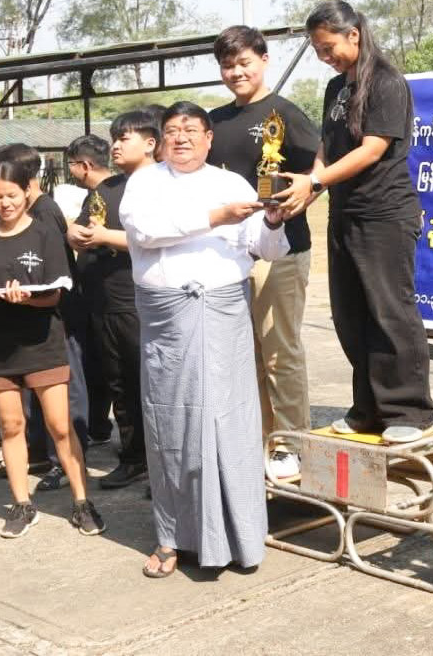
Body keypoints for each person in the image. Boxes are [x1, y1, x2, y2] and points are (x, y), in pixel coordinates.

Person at [120, 101, 289, 578]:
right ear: (160, 140)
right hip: (169, 320)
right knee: (173, 425)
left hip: (224, 312)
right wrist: (216, 217)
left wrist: (274, 220)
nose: (182, 138)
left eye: (191, 129)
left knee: (229, 421)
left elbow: (266, 248)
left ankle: (241, 536)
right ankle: (173, 537)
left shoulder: (232, 184)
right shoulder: (145, 183)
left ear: (209, 138)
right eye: (172, 130)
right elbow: (146, 231)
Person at [276, 0, 433, 443]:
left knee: (389, 310)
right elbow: (327, 148)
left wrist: (316, 181)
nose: (325, 57)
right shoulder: (336, 88)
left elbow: (372, 149)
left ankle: (409, 410)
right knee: (350, 313)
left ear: (354, 34)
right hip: (345, 212)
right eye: (317, 50)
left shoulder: (386, 81)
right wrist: (310, 187)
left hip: (384, 213)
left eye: (329, 47)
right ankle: (368, 408)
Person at [0, 156, 104, 540]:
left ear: (27, 191)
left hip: (42, 342)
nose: (4, 203)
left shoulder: (45, 234)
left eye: (11, 195)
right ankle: (22, 504)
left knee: (59, 425)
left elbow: (56, 294)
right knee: (11, 426)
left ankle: (82, 502)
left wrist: (26, 299)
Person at [208, 25, 320, 480]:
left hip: (281, 251)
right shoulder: (213, 122)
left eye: (244, 63)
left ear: (264, 60)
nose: (236, 72)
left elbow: (318, 174)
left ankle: (293, 444)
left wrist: (300, 201)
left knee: (279, 352)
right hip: (228, 254)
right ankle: (260, 442)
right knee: (247, 356)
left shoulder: (286, 114)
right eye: (227, 66)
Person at [0, 143, 91, 489]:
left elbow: (54, 274)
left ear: (26, 181)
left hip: (56, 314)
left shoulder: (43, 213)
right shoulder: (17, 217)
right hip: (30, 318)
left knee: (65, 395)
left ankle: (67, 462)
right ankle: (39, 454)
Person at [68, 112, 158, 490]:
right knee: (119, 384)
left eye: (124, 138)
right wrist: (75, 234)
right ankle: (134, 457)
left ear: (151, 143)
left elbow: (159, 238)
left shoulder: (163, 184)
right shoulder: (106, 188)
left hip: (142, 301)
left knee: (152, 385)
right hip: (104, 302)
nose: (116, 146)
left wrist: (105, 238)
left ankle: (163, 464)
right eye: (115, 138)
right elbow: (82, 226)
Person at [64, 134, 115, 446]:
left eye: (71, 164)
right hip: (95, 292)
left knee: (103, 365)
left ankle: (100, 426)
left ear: (84, 165)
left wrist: (71, 231)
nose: (70, 171)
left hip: (107, 294)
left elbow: (87, 236)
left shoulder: (105, 193)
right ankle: (99, 426)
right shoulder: (97, 193)